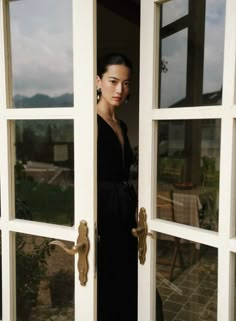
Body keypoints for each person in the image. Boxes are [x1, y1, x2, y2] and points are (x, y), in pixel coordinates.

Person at [96, 52, 164, 321]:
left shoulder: (121, 124)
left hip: (126, 215)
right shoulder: (89, 122)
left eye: (126, 83)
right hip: (103, 215)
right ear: (98, 81)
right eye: (113, 81)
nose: (120, 89)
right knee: (110, 287)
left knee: (136, 286)